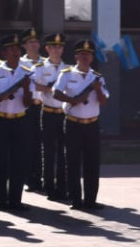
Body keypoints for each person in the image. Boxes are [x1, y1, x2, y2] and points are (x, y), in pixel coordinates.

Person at [0, 34, 33, 212]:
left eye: (18, 49)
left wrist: (25, 88)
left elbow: (28, 103)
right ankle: (1, 200)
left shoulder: (26, 72)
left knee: (19, 161)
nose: (15, 53)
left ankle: (16, 200)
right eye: (11, 49)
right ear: (4, 52)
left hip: (19, 120)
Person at [54, 39, 108, 211]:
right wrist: (73, 100)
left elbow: (104, 100)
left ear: (92, 57)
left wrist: (97, 89)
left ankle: (91, 199)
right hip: (73, 123)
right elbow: (56, 93)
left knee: (92, 163)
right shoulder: (67, 73)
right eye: (82, 54)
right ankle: (76, 200)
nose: (85, 57)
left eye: (88, 54)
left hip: (92, 124)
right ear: (76, 56)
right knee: (73, 162)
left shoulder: (97, 77)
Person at [32, 33, 67, 202]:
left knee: (63, 151)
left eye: (59, 47)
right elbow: (32, 84)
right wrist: (47, 88)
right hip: (47, 112)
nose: (56, 50)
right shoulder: (40, 67)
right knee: (48, 150)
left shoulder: (68, 68)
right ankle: (49, 186)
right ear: (47, 49)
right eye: (53, 47)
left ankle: (62, 185)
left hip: (63, 114)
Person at [20, 28, 45, 193]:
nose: (33, 44)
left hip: (43, 107)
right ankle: (28, 178)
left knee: (42, 144)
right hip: (26, 108)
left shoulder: (48, 63)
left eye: (36, 41)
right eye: (30, 42)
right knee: (27, 143)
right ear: (24, 45)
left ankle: (41, 177)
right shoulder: (20, 63)